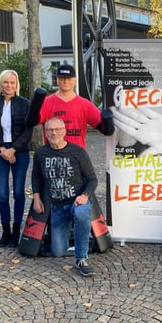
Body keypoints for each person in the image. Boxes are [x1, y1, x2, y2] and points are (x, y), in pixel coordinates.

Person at [32, 117, 98, 277]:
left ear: (64, 131)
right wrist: (37, 198)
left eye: (57, 129)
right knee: (58, 251)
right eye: (50, 130)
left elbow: (93, 179)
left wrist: (85, 195)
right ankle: (77, 234)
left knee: (81, 213)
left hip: (77, 201)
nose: (54, 133)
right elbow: (36, 177)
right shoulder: (40, 153)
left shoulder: (77, 152)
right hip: (57, 206)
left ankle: (81, 259)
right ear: (45, 133)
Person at [0, 70, 32, 248]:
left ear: (16, 84)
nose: (9, 86)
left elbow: (29, 129)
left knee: (19, 192)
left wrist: (14, 149)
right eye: (5, 82)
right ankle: (6, 231)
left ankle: (16, 231)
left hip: (20, 151)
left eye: (12, 82)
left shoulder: (25, 104)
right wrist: (2, 148)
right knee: (2, 193)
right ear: (0, 84)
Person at [38, 64, 103, 149]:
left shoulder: (85, 104)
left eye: (69, 78)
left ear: (75, 80)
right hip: (53, 154)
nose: (65, 81)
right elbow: (32, 121)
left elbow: (103, 125)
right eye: (62, 78)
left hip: (77, 155)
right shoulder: (46, 103)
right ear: (57, 80)